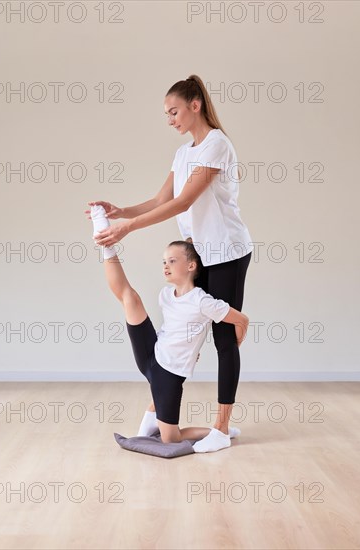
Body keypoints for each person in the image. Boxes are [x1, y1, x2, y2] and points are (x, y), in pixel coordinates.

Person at [85, 74, 253, 452]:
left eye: (174, 111)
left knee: (223, 337)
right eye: (166, 114)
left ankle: (222, 428)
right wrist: (121, 211)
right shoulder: (183, 154)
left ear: (195, 105)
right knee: (184, 323)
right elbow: (163, 198)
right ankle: (162, 406)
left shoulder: (216, 146)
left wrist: (127, 228)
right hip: (199, 254)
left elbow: (182, 203)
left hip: (226, 250)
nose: (170, 119)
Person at [90, 204, 249, 451]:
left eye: (172, 261)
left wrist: (235, 341)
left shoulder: (204, 301)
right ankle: (104, 241)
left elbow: (242, 319)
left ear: (191, 266)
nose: (165, 265)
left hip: (168, 374)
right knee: (129, 297)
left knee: (170, 440)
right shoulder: (166, 294)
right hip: (150, 354)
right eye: (164, 261)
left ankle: (218, 432)